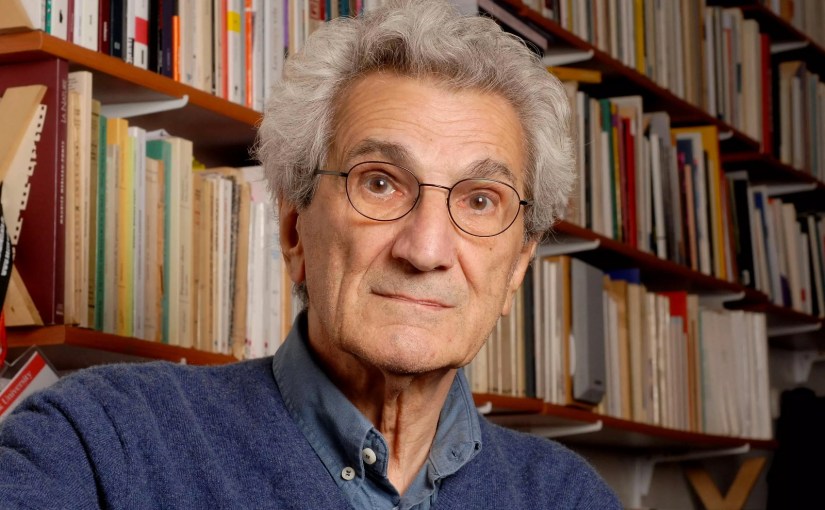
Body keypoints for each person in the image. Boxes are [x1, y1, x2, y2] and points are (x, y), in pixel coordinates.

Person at [0, 1, 620, 508]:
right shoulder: (99, 442)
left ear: (516, 267)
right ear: (294, 227)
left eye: (481, 200)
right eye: (380, 183)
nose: (426, 249)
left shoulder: (566, 497)